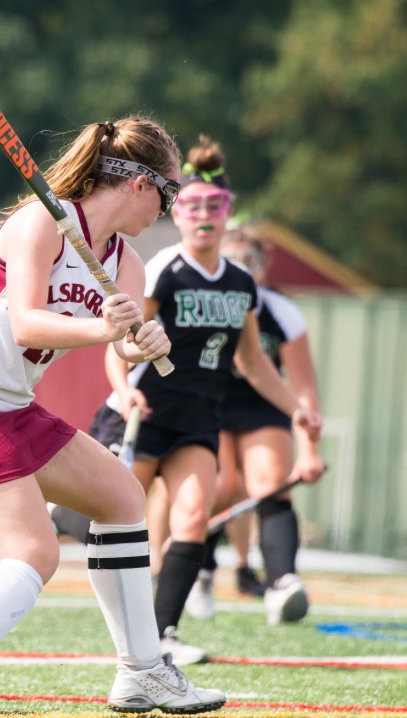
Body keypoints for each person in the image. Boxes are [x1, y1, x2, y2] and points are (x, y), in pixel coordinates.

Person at [0, 116, 225, 718]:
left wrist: (137, 341)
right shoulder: (42, 222)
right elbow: (27, 323)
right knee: (32, 552)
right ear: (138, 185)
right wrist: (105, 328)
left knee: (123, 498)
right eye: (170, 193)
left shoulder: (125, 260)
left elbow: (117, 342)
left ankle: (142, 672)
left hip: (10, 407)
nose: (171, 209)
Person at [51, 135, 321, 665]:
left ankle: (163, 634)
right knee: (120, 517)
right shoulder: (163, 271)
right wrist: (125, 390)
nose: (203, 217)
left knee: (193, 518)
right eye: (192, 206)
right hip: (145, 413)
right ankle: (67, 517)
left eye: (214, 209)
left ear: (227, 215)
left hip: (198, 418)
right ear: (177, 214)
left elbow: (252, 362)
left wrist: (295, 408)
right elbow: (122, 342)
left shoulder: (241, 282)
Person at [185, 224, 326, 626]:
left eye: (251, 262)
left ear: (264, 269)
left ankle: (282, 582)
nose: (242, 270)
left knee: (271, 482)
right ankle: (202, 569)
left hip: (263, 406)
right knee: (221, 486)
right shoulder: (197, 301)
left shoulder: (281, 312)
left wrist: (310, 450)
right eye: (231, 261)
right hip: (207, 402)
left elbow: (303, 389)